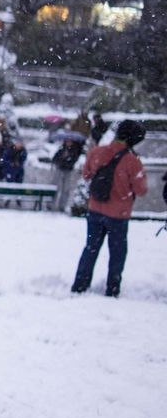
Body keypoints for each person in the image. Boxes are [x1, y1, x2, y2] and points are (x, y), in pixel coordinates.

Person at [71, 120, 148, 297]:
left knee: (91, 248)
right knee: (117, 252)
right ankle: (112, 287)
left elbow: (86, 174)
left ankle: (80, 285)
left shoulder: (97, 152)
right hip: (119, 214)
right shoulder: (132, 161)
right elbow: (141, 190)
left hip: (95, 209)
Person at [50, 135, 85, 211]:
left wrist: (66, 160)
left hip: (68, 171)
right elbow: (55, 158)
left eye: (70, 141)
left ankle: (62, 206)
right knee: (55, 187)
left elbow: (73, 161)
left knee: (66, 189)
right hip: (59, 169)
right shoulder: (62, 149)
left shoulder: (74, 150)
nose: (68, 142)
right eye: (67, 141)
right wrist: (61, 160)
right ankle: (51, 204)